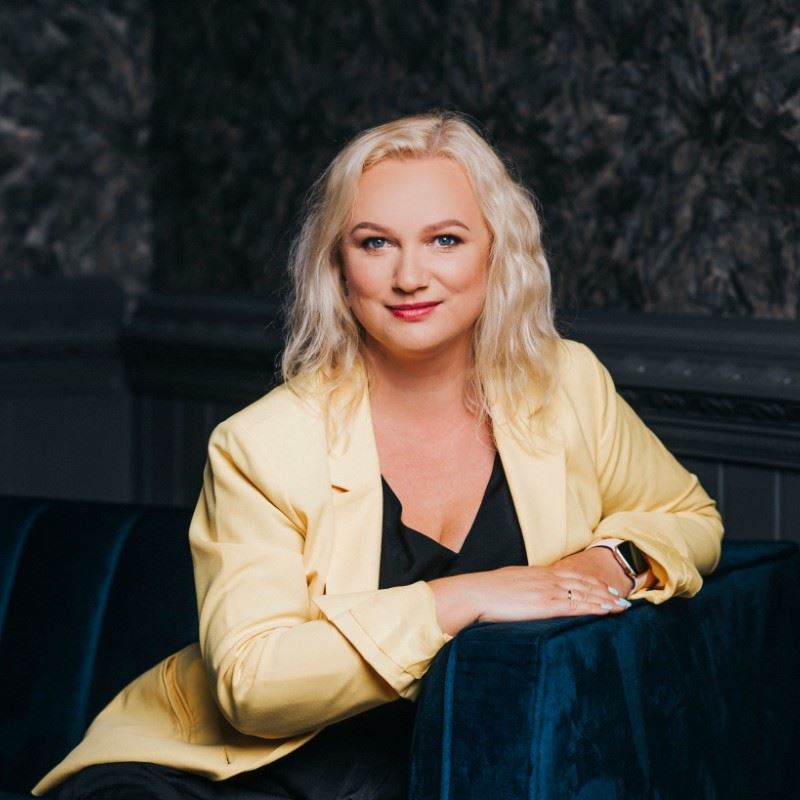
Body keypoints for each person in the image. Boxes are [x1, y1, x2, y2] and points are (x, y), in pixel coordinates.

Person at [36, 112, 723, 800]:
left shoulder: (567, 384)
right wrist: (459, 599)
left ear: (496, 251)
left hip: (433, 777)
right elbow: (251, 684)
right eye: (375, 243)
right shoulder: (260, 444)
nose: (409, 276)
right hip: (220, 776)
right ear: (339, 266)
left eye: (445, 240)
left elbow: (688, 516)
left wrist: (610, 562)